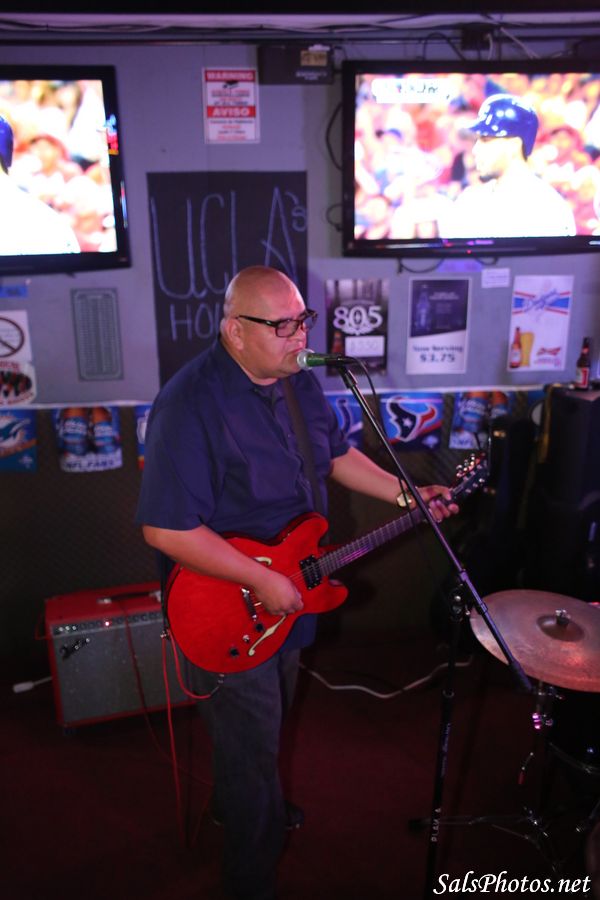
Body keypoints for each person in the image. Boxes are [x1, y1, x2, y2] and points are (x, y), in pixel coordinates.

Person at [136, 265, 458, 900]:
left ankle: (240, 805)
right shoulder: (190, 403)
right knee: (254, 748)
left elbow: (334, 456)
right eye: (282, 326)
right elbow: (165, 530)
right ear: (235, 331)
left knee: (260, 729)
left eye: (302, 320)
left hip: (291, 590)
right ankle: (249, 877)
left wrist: (407, 494)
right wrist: (255, 581)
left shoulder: (297, 381)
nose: (300, 336)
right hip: (224, 602)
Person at [438, 93, 576, 239]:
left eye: (486, 140)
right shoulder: (470, 201)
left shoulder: (548, 209)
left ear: (514, 145)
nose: (475, 149)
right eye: (477, 140)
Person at [0, 115, 80, 255]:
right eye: (36, 147)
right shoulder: (49, 219)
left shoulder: (44, 222)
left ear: (57, 150)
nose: (40, 152)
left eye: (45, 147)